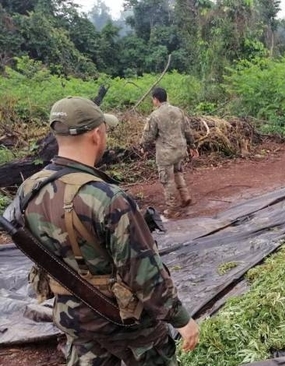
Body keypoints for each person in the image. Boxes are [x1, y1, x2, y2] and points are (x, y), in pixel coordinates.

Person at [4, 96, 198, 365]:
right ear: (96, 135)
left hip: (72, 316)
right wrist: (181, 319)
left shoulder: (29, 189)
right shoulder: (107, 198)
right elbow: (143, 273)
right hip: (121, 320)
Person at [140, 88, 196, 219]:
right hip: (180, 150)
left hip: (166, 153)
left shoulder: (155, 115)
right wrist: (192, 146)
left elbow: (148, 136)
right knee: (178, 173)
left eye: (152, 99)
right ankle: (185, 196)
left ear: (156, 99)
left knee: (167, 180)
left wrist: (142, 146)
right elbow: (187, 130)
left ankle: (172, 209)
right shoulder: (178, 111)